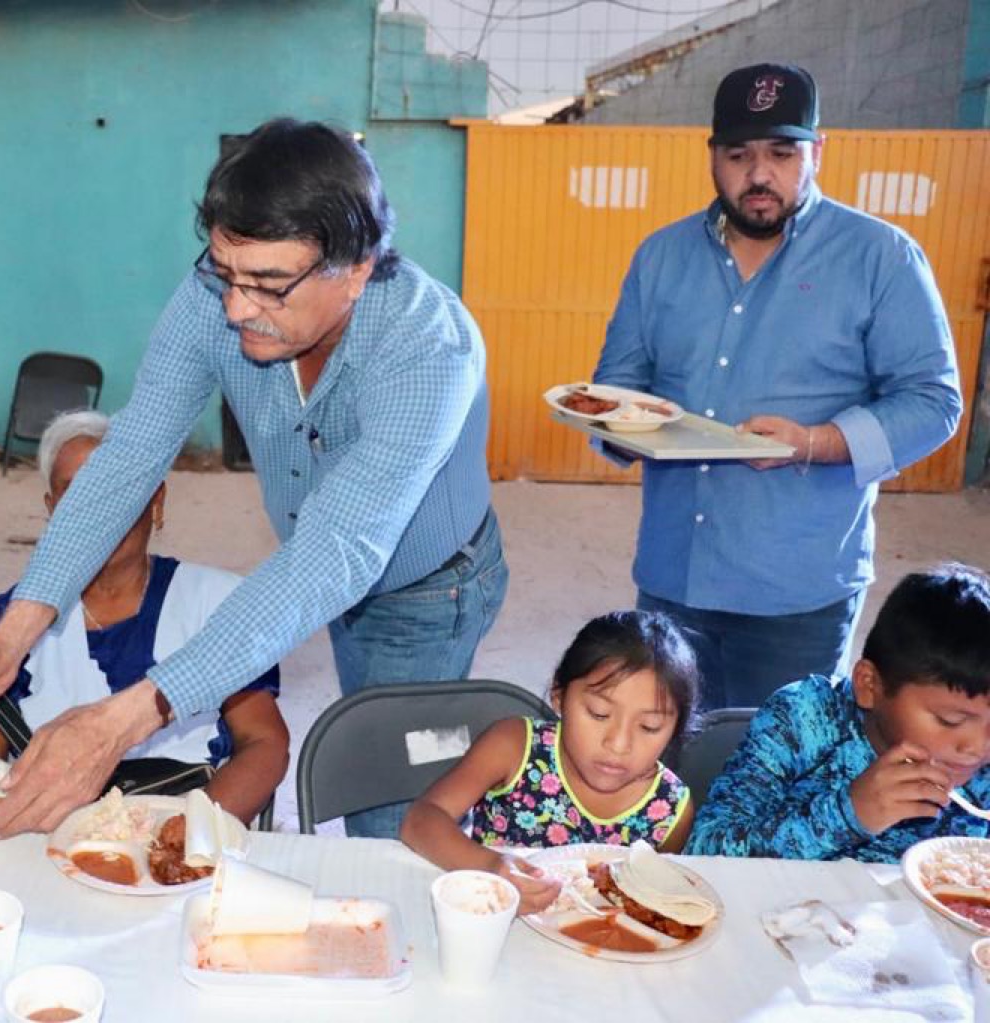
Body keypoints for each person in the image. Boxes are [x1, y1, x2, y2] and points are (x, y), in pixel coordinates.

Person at [0, 118, 507, 840]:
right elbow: (127, 460)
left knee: (393, 811)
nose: (237, 307)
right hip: (332, 568)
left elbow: (334, 552)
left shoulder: (427, 349)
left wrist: (123, 721)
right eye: (226, 273)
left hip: (428, 588)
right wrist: (11, 636)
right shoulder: (214, 296)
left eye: (270, 285)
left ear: (359, 268)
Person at [594, 63, 962, 710]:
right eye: (739, 154)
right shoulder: (660, 257)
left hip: (798, 597)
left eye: (781, 153)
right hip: (672, 582)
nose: (759, 175)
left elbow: (934, 401)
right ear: (712, 157)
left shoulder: (880, 257)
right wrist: (622, 428)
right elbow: (617, 385)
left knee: (777, 776)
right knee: (671, 772)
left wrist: (815, 442)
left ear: (817, 151)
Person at [0, 411, 288, 824]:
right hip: (40, 839)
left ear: (157, 502)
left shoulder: (216, 603)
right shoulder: (12, 623)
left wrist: (189, 838)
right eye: (76, 492)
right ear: (52, 512)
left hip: (179, 831)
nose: (99, 512)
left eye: (117, 489)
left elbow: (264, 741)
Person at [686, 564, 990, 862]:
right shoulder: (804, 720)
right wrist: (849, 815)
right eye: (951, 720)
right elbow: (704, 850)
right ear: (869, 685)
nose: (977, 747)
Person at [401, 611, 698, 913]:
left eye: (648, 727)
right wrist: (488, 865)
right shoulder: (512, 748)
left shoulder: (670, 811)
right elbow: (420, 820)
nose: (619, 744)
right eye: (598, 713)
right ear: (559, 695)